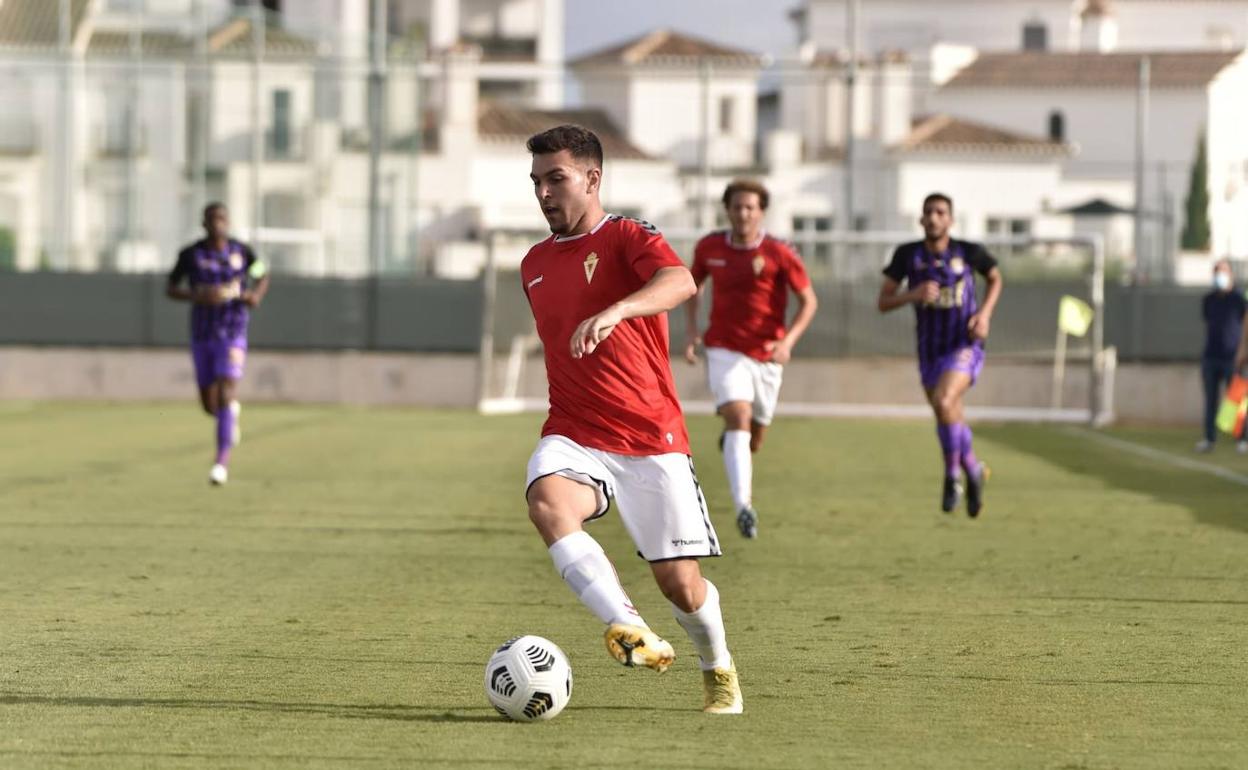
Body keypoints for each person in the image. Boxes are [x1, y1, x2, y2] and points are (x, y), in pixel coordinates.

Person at [520, 124, 742, 714]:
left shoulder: (626, 237)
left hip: (649, 437)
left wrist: (618, 309)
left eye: (556, 179)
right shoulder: (533, 264)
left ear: (592, 179)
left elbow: (681, 280)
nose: (544, 193)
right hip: (573, 429)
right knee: (547, 500)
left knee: (681, 585)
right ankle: (627, 626)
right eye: (537, 181)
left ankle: (717, 666)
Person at [683, 179, 818, 539]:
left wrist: (787, 341)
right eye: (737, 207)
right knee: (739, 416)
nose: (743, 213)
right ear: (727, 210)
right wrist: (692, 332)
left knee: (754, 435)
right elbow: (692, 286)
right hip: (724, 349)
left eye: (750, 207)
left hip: (768, 355)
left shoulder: (779, 252)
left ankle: (736, 442)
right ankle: (744, 506)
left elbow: (809, 302)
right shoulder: (709, 246)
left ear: (761, 212)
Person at [877, 193, 1003, 517]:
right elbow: (883, 301)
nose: (934, 218)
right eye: (928, 212)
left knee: (946, 401)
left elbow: (995, 277)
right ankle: (973, 469)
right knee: (948, 413)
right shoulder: (908, 255)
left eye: (940, 212)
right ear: (921, 220)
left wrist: (985, 315)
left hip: (964, 344)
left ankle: (951, 478)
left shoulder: (968, 251)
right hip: (929, 349)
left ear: (950, 219)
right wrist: (912, 294)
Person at [166, 203, 269, 486]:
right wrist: (196, 297)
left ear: (228, 221)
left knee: (226, 391)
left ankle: (220, 463)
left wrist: (254, 295)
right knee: (210, 404)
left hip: (233, 331)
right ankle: (229, 415)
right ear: (204, 223)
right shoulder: (190, 255)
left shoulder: (242, 252)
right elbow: (171, 287)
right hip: (202, 334)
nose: (218, 224)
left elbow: (262, 274)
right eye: (212, 219)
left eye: (222, 218)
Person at [1201, 259, 1248, 453]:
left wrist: (1242, 350)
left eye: (1223, 271)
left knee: (1237, 400)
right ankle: (1209, 438)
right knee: (1210, 400)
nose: (1219, 274)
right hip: (1211, 356)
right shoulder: (1208, 299)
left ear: (1230, 274)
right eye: (1217, 271)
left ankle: (1242, 439)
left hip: (1232, 357)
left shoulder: (1239, 298)